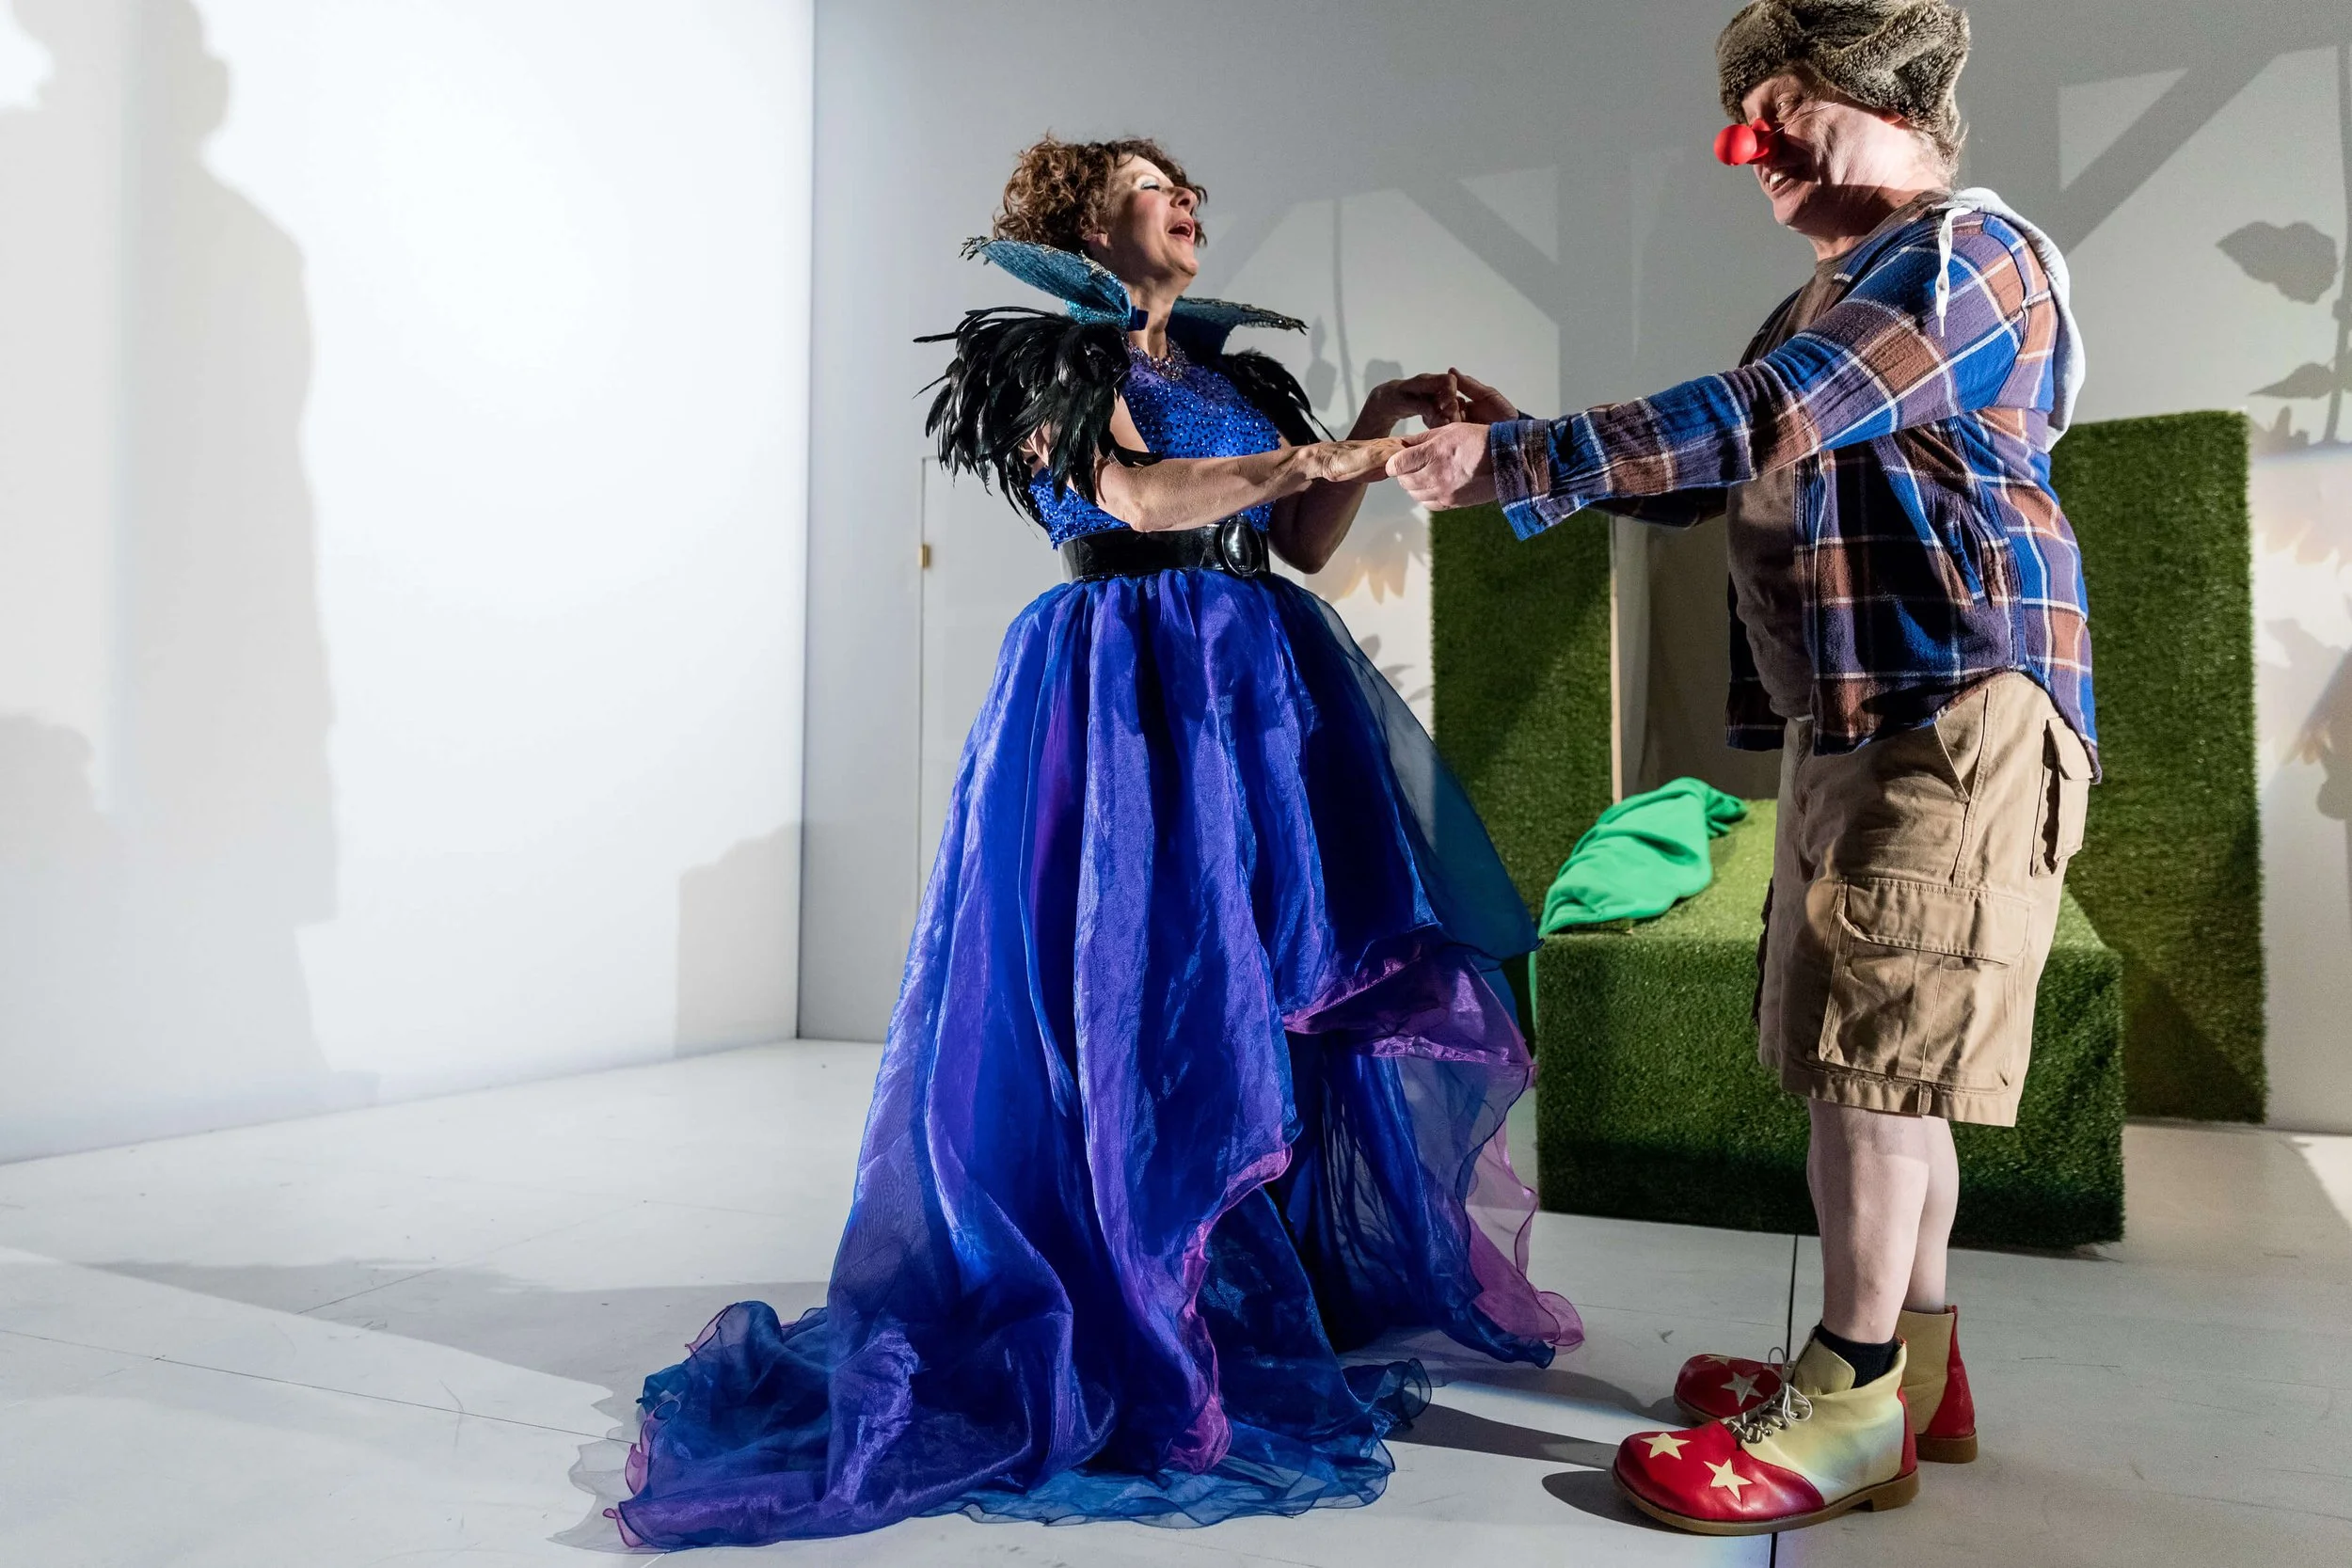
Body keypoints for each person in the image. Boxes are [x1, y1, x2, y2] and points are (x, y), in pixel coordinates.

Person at [608, 134, 1577, 1549]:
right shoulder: (1042, 360)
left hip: (1251, 679)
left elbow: (1298, 541)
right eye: (1146, 183)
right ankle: (1131, 1266)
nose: (1185, 198)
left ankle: (1258, 1261)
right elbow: (1136, 501)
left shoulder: (1230, 377)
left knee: (1255, 968)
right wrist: (1329, 445)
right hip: (1120, 681)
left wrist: (1360, 422)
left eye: (1186, 183)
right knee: (1131, 979)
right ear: (1080, 222)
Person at [1390, 0, 2092, 1537]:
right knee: (1881, 1055)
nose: (1745, 145)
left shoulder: (1965, 258)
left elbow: (1763, 418)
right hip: (1870, 717)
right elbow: (1734, 466)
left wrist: (1517, 458)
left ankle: (1846, 1406)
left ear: (1876, 94)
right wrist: (1541, 452)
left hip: (1955, 708)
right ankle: (1916, 1365)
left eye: (1781, 106)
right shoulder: (1831, 299)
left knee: (1878, 1067)